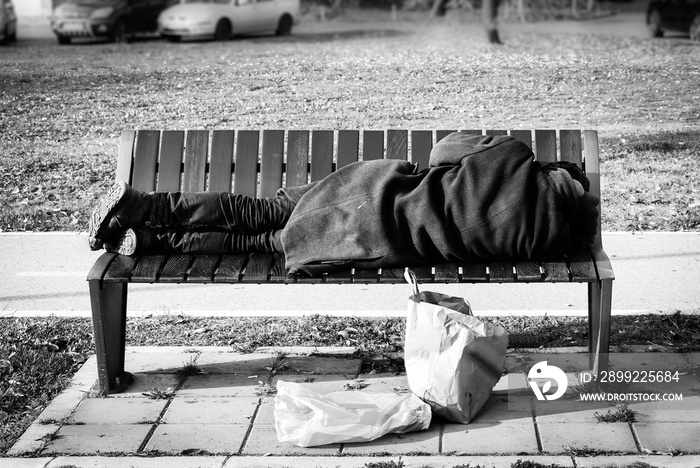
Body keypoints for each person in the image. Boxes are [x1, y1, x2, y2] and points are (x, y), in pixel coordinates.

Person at [89, 132, 599, 276]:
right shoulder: (547, 239)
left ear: (556, 173)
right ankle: (155, 239)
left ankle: (142, 204)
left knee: (259, 211)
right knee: (267, 240)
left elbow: (443, 151)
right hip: (383, 240)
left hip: (376, 194)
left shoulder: (512, 156)